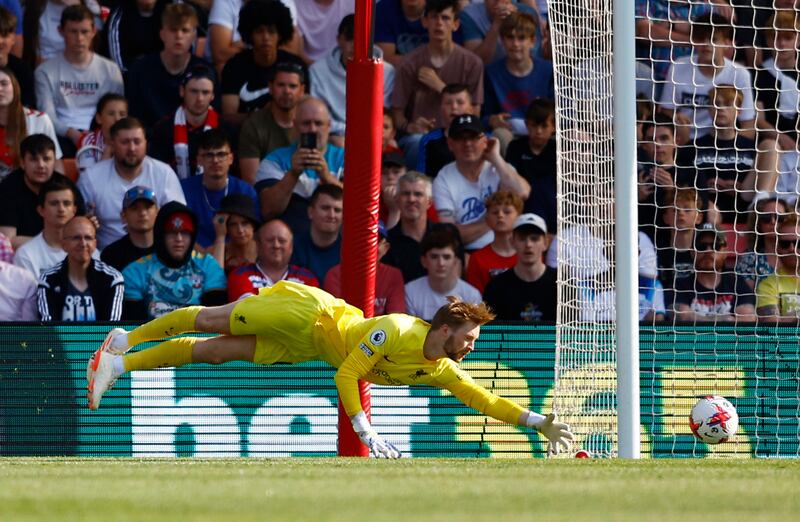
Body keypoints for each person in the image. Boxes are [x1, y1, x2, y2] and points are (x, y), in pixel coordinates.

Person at [85, 280, 574, 458]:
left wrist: (537, 423)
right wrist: (365, 430)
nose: (470, 347)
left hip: (307, 347)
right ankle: (128, 338)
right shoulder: (398, 330)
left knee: (215, 352)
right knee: (213, 317)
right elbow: (346, 375)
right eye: (468, 338)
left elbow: (482, 399)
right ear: (444, 329)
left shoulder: (442, 367)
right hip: (307, 312)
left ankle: (120, 365)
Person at [391, 0, 484, 168]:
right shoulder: (409, 63)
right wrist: (411, 126)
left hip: (462, 133)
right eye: (434, 17)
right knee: (416, 141)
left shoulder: (472, 63)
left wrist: (441, 87)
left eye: (446, 18)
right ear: (424, 22)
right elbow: (396, 115)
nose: (439, 23)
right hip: (422, 136)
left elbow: (475, 112)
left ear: (456, 24)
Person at [77, 117, 186, 249]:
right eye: (125, 142)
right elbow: (77, 222)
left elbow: (179, 218)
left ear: (146, 143)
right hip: (106, 256)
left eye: (137, 141)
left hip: (156, 254)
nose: (132, 148)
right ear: (112, 143)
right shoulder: (91, 177)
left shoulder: (164, 173)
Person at [34, 4, 124, 156]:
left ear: (94, 32)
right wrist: (72, 133)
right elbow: (46, 116)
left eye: (84, 32)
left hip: (104, 135)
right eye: (73, 32)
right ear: (61, 32)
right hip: (61, 137)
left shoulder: (111, 70)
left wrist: (96, 136)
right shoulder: (45, 71)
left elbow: (118, 112)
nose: (79, 38)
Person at [432, 113, 530, 251]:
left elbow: (523, 192)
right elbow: (449, 234)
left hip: (508, 250)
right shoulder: (443, 179)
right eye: (461, 138)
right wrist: (492, 221)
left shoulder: (499, 167)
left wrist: (496, 158)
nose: (467, 144)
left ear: (485, 141)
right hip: (469, 252)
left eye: (474, 137)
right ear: (450, 144)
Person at [658, 13, 756, 143]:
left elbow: (748, 126)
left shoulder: (740, 74)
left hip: (724, 142)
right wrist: (677, 120)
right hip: (684, 141)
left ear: (727, 43)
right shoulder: (678, 66)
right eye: (700, 39)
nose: (706, 44)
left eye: (713, 39)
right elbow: (666, 116)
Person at [122, 202, 227, 319]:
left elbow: (215, 319)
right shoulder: (135, 271)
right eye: (172, 233)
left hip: (199, 336)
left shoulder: (209, 265)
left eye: (185, 233)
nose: (179, 239)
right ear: (161, 236)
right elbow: (132, 325)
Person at [255, 96, 345, 233]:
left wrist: (327, 177)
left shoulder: (347, 159)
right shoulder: (274, 160)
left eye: (318, 123)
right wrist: (292, 174)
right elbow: (267, 211)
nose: (312, 129)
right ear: (295, 125)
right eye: (306, 123)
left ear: (329, 126)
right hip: (288, 244)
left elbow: (359, 208)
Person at [125, 3, 213, 129]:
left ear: (194, 36)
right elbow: (134, 118)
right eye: (173, 30)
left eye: (185, 30)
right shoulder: (140, 70)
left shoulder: (206, 71)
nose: (179, 36)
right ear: (162, 34)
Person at [309, 14, 395, 142]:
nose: (356, 45)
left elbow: (384, 114)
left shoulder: (387, 71)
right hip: (334, 135)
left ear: (371, 40)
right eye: (350, 39)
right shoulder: (318, 70)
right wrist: (347, 131)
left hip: (374, 135)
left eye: (362, 39)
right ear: (338, 40)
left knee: (391, 146)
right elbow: (319, 116)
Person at [220, 0, 306, 122]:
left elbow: (305, 110)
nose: (266, 37)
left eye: (271, 31)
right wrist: (264, 116)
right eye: (259, 31)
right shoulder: (234, 67)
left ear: (280, 35)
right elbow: (228, 118)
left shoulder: (296, 66)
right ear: (250, 34)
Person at [482, 12, 553, 151]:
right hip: (510, 133)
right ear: (502, 41)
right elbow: (482, 116)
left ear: (532, 41)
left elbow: (560, 112)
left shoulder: (548, 70)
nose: (515, 44)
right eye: (510, 38)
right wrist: (492, 120)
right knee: (499, 136)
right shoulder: (491, 73)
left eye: (521, 38)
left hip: (542, 133)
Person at [0, 134, 83, 249]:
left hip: (64, 253)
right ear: (23, 163)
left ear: (55, 162)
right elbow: (7, 240)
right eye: (34, 159)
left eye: (46, 159)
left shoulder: (66, 187)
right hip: (22, 257)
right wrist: (51, 243)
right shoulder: (8, 188)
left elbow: (80, 232)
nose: (41, 165)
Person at [149, 64, 231, 179]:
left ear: (213, 96)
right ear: (182, 91)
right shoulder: (163, 129)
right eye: (194, 91)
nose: (200, 99)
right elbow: (156, 173)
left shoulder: (226, 130)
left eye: (205, 92)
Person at [180, 129, 259, 249]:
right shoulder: (183, 189)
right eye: (209, 155)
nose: (215, 160)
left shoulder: (245, 191)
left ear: (231, 158)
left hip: (235, 258)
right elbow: (178, 232)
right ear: (199, 160)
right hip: (193, 258)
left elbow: (254, 234)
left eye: (221, 154)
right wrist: (206, 258)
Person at [37, 216, 124, 321]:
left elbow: (111, 327)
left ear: (95, 244)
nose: (83, 243)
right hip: (59, 338)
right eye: (76, 238)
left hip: (102, 338)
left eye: (88, 238)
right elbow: (48, 327)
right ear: (64, 244)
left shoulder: (112, 278)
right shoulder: (48, 279)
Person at [673, 223, 756, 323]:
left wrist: (698, 319)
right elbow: (682, 316)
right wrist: (725, 320)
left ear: (725, 252)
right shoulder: (679, 286)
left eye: (715, 246)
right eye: (701, 246)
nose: (708, 251)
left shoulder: (737, 284)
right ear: (692, 252)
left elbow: (748, 318)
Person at [238, 62, 305, 185]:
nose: (287, 91)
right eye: (281, 85)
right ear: (270, 87)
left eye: (293, 86)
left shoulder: (310, 123)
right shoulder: (253, 125)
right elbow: (251, 180)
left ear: (302, 90)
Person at [483, 212, 556, 321]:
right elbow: (490, 333)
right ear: (512, 242)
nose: (528, 245)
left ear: (545, 243)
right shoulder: (496, 287)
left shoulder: (561, 284)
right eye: (522, 238)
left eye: (534, 239)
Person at [227, 217, 318, 302]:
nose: (276, 245)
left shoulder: (307, 278)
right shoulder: (240, 274)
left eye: (282, 241)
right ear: (258, 245)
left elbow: (312, 311)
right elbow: (247, 309)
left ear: (291, 247)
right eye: (270, 240)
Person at [324, 221, 406, 315]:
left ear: (385, 248)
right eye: (362, 239)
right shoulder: (335, 275)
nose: (368, 245)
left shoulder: (393, 275)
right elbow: (337, 317)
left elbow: (396, 318)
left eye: (375, 241)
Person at [0, 66, 63, 179]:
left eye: (4, 83)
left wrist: (59, 189)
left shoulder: (39, 119)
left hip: (30, 188)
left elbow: (56, 161)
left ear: (15, 87)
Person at [505, 98, 556, 234]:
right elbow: (510, 177)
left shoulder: (558, 150)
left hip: (550, 203)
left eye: (544, 126)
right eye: (534, 125)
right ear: (527, 125)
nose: (538, 131)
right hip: (521, 201)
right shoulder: (515, 147)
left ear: (553, 127)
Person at [405, 227, 481, 320]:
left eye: (446, 257)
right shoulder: (410, 291)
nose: (441, 263)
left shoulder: (471, 295)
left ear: (455, 261)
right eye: (434, 257)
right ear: (424, 261)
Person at [13, 177, 81, 277]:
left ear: (74, 211)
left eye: (66, 203)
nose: (61, 209)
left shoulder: (88, 250)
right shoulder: (26, 255)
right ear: (41, 210)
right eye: (54, 203)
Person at [465, 189, 521, 293]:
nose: (500, 215)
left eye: (507, 212)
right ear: (487, 219)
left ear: (519, 217)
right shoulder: (477, 259)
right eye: (495, 212)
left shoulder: (531, 252)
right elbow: (475, 301)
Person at [384, 171, 436, 282]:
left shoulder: (446, 235)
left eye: (418, 194)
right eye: (406, 194)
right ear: (397, 200)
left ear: (429, 202)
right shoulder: (387, 243)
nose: (411, 199)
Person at [460, 0, 544, 65]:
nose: (499, 0)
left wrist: (516, 20)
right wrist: (497, 24)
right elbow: (476, 63)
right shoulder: (469, 15)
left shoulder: (527, 12)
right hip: (490, 76)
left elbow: (533, 57)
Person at [416, 83, 473, 178]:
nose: (454, 107)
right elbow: (421, 178)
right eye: (448, 103)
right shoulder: (428, 140)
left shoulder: (483, 139)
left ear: (471, 109)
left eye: (460, 102)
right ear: (441, 109)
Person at [735, 195, 791, 291]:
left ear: (788, 221)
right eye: (766, 217)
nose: (773, 221)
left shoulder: (797, 256)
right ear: (758, 224)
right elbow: (746, 297)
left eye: (779, 217)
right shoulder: (750, 259)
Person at [291, 184, 343, 284]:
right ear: (310, 212)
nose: (331, 215)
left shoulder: (349, 253)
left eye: (337, 210)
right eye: (325, 208)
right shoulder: (292, 248)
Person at [100, 185, 158, 272]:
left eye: (147, 207)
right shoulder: (111, 255)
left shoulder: (170, 248)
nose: (142, 213)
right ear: (123, 215)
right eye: (135, 208)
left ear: (158, 212)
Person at [103, 0, 169, 73]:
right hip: (130, 79)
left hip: (167, 76)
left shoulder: (172, 11)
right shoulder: (119, 15)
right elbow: (118, 66)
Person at [207, 193, 261, 273]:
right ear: (226, 228)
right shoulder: (213, 252)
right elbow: (214, 279)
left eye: (245, 223)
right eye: (233, 224)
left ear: (253, 225)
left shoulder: (265, 250)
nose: (240, 230)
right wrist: (220, 236)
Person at [75, 93, 128, 174]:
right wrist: (107, 152)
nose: (117, 119)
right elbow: (87, 178)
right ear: (99, 118)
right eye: (111, 114)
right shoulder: (89, 141)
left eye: (122, 114)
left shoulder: (133, 141)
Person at [375, 0, 428, 67]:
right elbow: (385, 59)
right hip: (396, 73)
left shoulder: (440, 8)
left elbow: (444, 58)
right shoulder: (383, 9)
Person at [0, 6, 34, 108]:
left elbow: (27, 108)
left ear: (14, 39)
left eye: (5, 35)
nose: (0, 41)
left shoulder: (23, 70)